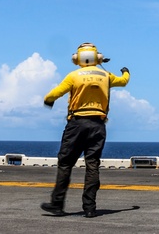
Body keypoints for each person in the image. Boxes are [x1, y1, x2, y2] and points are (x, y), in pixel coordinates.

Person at [40, 42, 130, 218]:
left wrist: (48, 100)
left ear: (77, 58)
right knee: (92, 164)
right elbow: (124, 81)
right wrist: (125, 71)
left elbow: (55, 93)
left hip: (77, 123)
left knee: (66, 163)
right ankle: (90, 208)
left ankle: (57, 204)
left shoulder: (74, 76)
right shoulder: (106, 75)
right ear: (98, 57)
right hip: (98, 125)